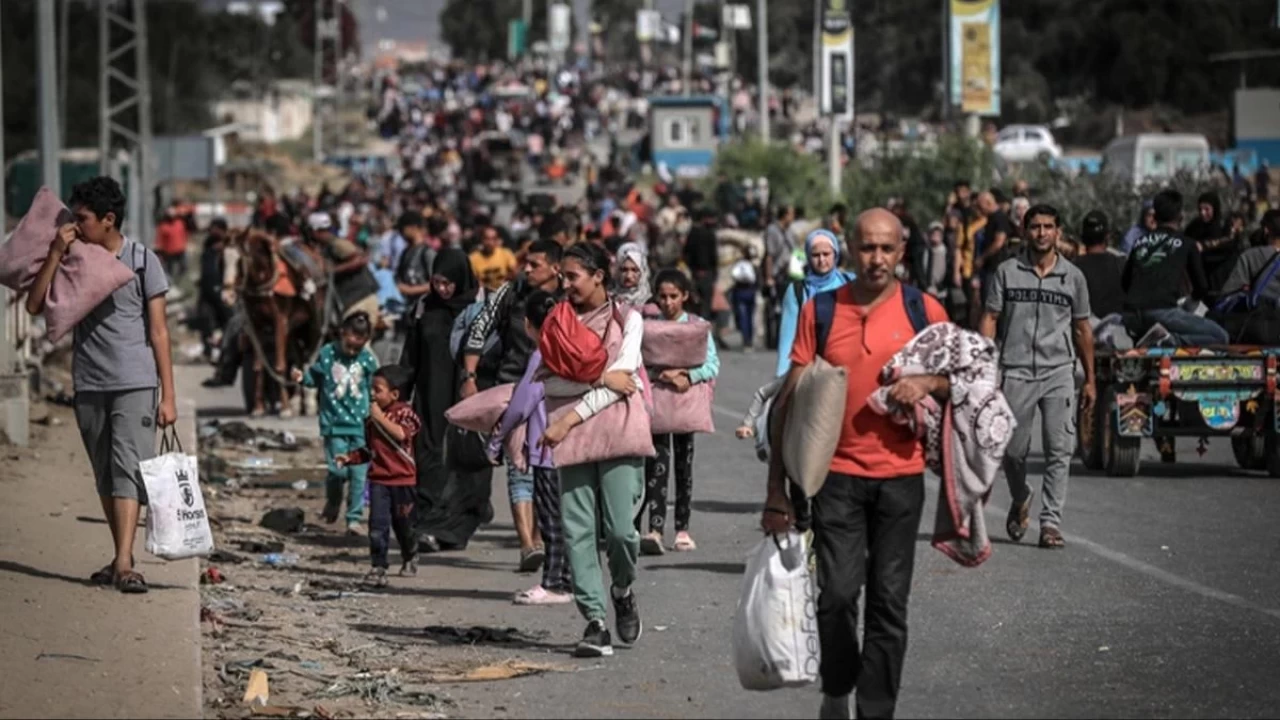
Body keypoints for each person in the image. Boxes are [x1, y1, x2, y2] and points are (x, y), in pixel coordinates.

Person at [761, 208, 950, 720]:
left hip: (901, 479)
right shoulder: (821, 310)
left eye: (887, 248)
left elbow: (962, 379)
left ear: (901, 252)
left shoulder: (924, 311)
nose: (877, 258)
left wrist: (928, 382)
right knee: (839, 595)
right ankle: (837, 686)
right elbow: (788, 402)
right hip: (836, 478)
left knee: (889, 602)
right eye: (868, 247)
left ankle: (876, 711)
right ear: (851, 250)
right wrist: (776, 490)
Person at [26, 176, 177, 594]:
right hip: (89, 382)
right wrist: (55, 252)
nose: (74, 226)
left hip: (135, 382)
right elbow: (35, 305)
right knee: (105, 474)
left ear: (109, 220)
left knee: (129, 469)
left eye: (83, 218)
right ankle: (118, 557)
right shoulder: (73, 260)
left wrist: (168, 396)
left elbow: (160, 332)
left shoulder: (143, 261)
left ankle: (125, 563)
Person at [538, 243, 646, 659]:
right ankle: (595, 621)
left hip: (617, 432)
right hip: (573, 440)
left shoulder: (628, 319)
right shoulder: (556, 322)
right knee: (578, 531)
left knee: (620, 531)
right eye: (562, 277)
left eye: (573, 277)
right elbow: (550, 382)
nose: (565, 285)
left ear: (599, 276)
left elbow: (625, 379)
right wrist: (601, 378)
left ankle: (622, 589)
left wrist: (569, 415)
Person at [980, 204, 1096, 550]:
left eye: (1048, 227)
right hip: (1015, 370)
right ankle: (1021, 496)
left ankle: (1050, 523)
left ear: (1058, 232)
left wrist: (1090, 378)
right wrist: (985, 366)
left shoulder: (1073, 277)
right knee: (1012, 451)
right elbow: (990, 317)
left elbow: (1082, 329)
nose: (1041, 233)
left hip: (1059, 371)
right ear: (1024, 230)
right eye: (1035, 227)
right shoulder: (1007, 272)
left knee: (1059, 449)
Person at [460, 240, 565, 570]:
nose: (527, 269)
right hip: (513, 389)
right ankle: (527, 546)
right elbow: (478, 330)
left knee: (547, 466)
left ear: (555, 268)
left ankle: (539, 537)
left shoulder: (570, 298)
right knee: (519, 468)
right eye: (527, 263)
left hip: (557, 394)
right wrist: (469, 375)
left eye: (535, 264)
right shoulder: (509, 293)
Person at [401, 249, 493, 553]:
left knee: (466, 457)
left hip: (471, 393)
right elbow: (410, 357)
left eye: (447, 283)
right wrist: (399, 395)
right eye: (436, 282)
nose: (442, 289)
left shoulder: (484, 306)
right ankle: (427, 522)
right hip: (431, 393)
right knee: (427, 453)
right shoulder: (424, 308)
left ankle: (455, 526)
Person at [488, 290, 574, 606]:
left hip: (546, 449)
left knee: (551, 520)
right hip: (575, 448)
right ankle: (570, 579)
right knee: (570, 518)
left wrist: (497, 438)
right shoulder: (572, 352)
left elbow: (522, 404)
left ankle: (554, 584)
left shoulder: (541, 356)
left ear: (528, 324)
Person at [637, 270, 720, 556]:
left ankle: (682, 528)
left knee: (684, 468)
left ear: (684, 295)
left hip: (686, 405)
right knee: (656, 468)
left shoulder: (696, 327)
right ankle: (655, 529)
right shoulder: (649, 327)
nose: (668, 302)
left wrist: (687, 375)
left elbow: (711, 364)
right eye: (663, 296)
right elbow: (639, 364)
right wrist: (663, 374)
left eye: (674, 296)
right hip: (658, 405)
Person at [292, 312, 379, 534]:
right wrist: (301, 378)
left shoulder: (367, 360)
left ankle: (353, 519)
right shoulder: (328, 354)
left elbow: (375, 389)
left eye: (358, 347)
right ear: (342, 333)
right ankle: (333, 501)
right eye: (350, 344)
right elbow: (314, 378)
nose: (353, 351)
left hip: (360, 427)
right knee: (338, 471)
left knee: (359, 474)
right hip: (334, 425)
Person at [334, 365, 421, 586]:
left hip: (403, 481)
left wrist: (380, 418)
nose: (372, 394)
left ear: (395, 394)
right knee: (377, 527)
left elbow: (401, 434)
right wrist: (350, 458)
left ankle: (410, 554)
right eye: (371, 389)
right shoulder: (371, 420)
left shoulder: (406, 414)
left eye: (378, 390)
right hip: (379, 481)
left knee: (404, 526)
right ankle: (378, 566)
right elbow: (370, 450)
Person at [1122, 190, 1230, 347]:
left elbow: (1125, 283)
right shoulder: (1187, 244)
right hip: (1162, 313)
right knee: (1220, 336)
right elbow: (1201, 287)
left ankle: (1145, 337)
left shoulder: (1139, 242)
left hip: (1131, 316)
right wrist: (1187, 303)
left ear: (1155, 216)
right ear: (1180, 216)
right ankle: (1169, 341)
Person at [776, 228, 857, 378]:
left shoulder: (851, 283)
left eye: (826, 254)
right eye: (815, 255)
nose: (821, 260)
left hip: (849, 366)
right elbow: (788, 336)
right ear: (808, 256)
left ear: (835, 255)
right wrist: (782, 377)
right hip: (812, 371)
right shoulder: (797, 291)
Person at [310, 211, 381, 324]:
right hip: (350, 301)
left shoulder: (337, 244)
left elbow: (360, 260)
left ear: (315, 231)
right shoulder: (325, 247)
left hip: (360, 299)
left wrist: (333, 271)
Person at [761, 204, 800, 350]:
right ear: (785, 215)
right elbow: (769, 255)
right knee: (775, 309)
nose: (793, 217)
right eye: (791, 214)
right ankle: (774, 339)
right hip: (778, 275)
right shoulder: (772, 231)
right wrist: (769, 277)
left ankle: (787, 338)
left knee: (790, 307)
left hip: (791, 274)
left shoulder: (790, 232)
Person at [197, 218, 232, 360]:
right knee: (206, 321)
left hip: (224, 292)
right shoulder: (208, 245)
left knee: (227, 321)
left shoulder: (230, 247)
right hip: (207, 292)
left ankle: (227, 351)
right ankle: (208, 350)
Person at [394, 214, 440, 310]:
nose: (400, 233)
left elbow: (438, 284)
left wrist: (411, 290)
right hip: (410, 307)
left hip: (427, 307)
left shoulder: (427, 253)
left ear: (413, 228)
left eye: (402, 229)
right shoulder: (405, 253)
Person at [683, 208, 720, 319]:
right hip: (706, 273)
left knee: (695, 304)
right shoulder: (710, 234)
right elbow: (713, 256)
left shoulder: (692, 233)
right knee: (706, 304)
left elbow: (686, 253)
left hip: (694, 273)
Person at [469, 224, 519, 291]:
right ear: (481, 239)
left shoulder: (506, 253)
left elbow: (515, 272)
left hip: (504, 290)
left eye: (493, 239)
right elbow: (474, 280)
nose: (490, 243)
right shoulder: (473, 258)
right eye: (487, 239)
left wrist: (505, 281)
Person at [730, 245, 759, 351]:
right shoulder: (753, 266)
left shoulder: (739, 264)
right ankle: (749, 341)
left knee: (744, 317)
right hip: (750, 291)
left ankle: (746, 340)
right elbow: (756, 280)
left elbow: (734, 276)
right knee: (749, 318)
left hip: (741, 291)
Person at [154, 202, 189, 281]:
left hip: (180, 250)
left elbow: (184, 234)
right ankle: (171, 281)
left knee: (183, 267)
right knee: (170, 270)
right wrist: (160, 252)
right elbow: (159, 240)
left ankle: (178, 280)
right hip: (169, 252)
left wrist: (185, 243)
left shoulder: (179, 223)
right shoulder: (163, 226)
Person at [613, 242, 651, 307]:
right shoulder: (610, 300)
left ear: (642, 272)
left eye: (634, 270)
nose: (628, 276)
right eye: (624, 270)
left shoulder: (650, 302)